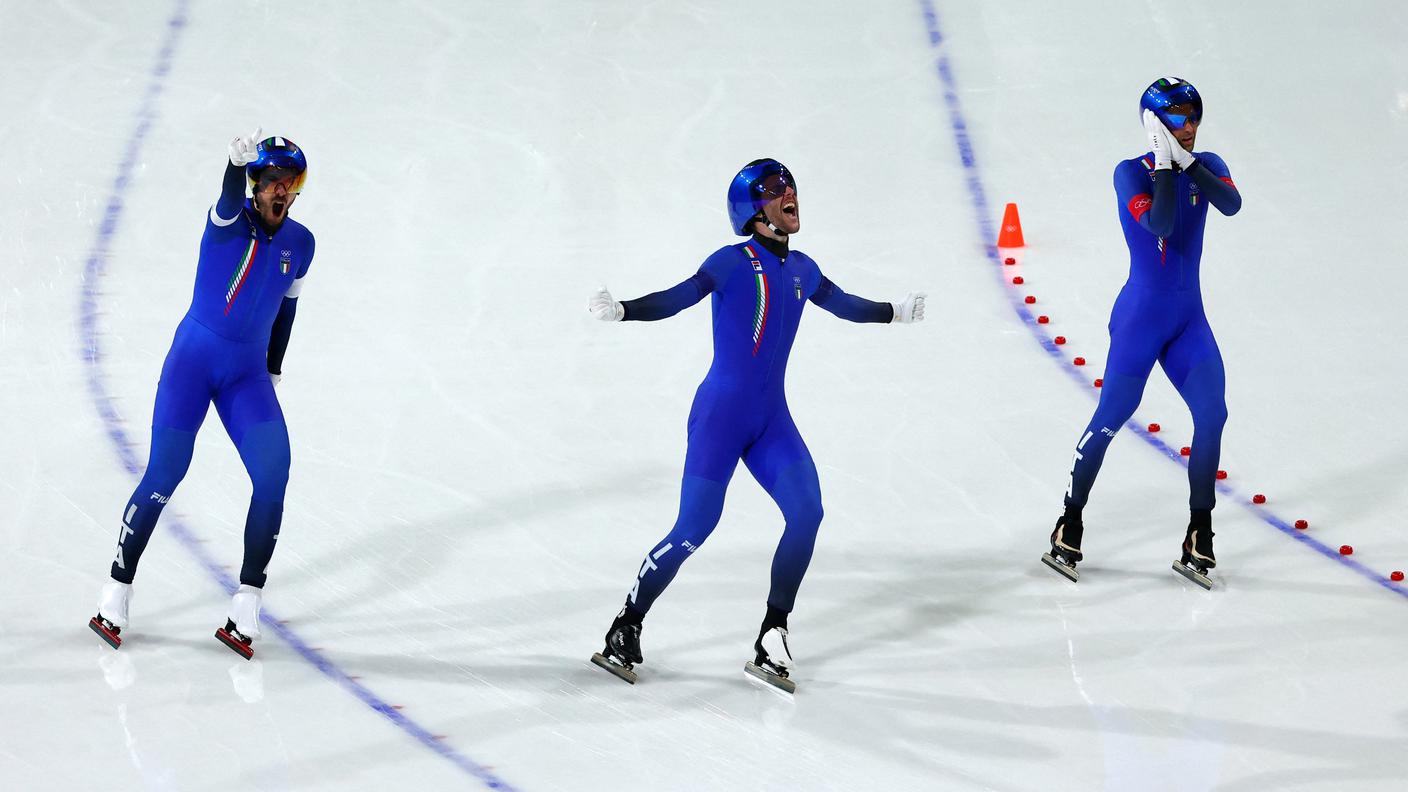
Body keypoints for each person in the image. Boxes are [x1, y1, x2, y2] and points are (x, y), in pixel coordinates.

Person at [587, 159, 926, 690]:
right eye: (774, 190)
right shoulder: (730, 262)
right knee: (694, 529)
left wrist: (894, 312)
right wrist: (624, 310)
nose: (790, 194)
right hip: (720, 418)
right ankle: (627, 623)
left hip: (771, 420)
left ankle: (773, 629)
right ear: (752, 210)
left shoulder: (804, 269)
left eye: (791, 185)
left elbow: (843, 305)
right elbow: (677, 298)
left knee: (807, 513)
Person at [88, 129, 316, 657]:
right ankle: (116, 590)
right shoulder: (229, 221)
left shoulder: (301, 244)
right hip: (191, 365)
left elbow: (287, 309)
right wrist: (233, 166)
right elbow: (227, 196)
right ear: (256, 184)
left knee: (274, 474)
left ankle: (247, 602)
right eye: (272, 180)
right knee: (165, 474)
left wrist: (273, 370)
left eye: (291, 182)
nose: (281, 190)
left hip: (246, 377)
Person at [1042, 78, 1242, 588]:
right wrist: (1166, 166)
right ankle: (1070, 518)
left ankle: (1200, 529)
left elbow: (1230, 204)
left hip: (1188, 319)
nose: (1189, 126)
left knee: (1213, 415)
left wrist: (1186, 163)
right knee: (1114, 414)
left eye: (1194, 116)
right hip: (1139, 320)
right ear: (1154, 123)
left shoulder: (1208, 163)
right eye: (1178, 117)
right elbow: (1161, 224)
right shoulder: (1130, 172)